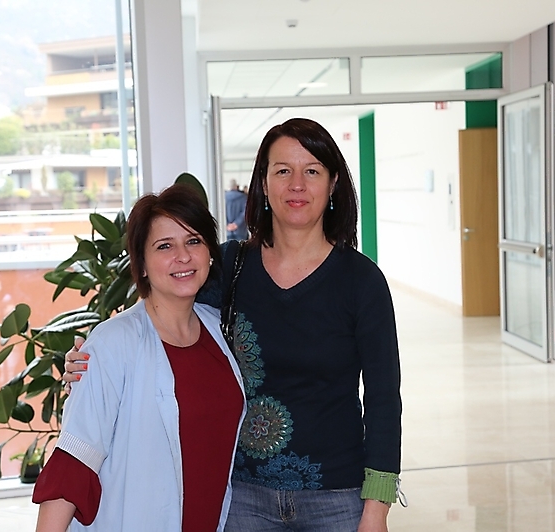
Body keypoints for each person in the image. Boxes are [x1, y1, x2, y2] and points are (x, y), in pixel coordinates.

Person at [66, 118, 403, 532]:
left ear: (333, 184)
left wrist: (376, 510)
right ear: (263, 182)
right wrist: (95, 358)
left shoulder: (361, 281)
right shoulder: (229, 267)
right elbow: (164, 323)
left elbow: (384, 399)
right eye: (283, 170)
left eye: (312, 171)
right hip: (243, 497)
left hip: (337, 496)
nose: (297, 185)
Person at [34, 184, 246, 531]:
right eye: (165, 246)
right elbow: (74, 461)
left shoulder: (218, 330)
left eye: (193, 241)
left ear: (210, 251)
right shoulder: (113, 343)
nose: (183, 256)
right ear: (142, 265)